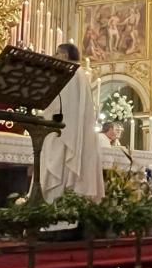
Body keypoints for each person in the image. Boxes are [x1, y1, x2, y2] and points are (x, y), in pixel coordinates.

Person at [38, 42, 103, 203]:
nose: (54, 57)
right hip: (74, 133)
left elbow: (58, 106)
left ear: (64, 56)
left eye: (56, 53)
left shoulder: (67, 73)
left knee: (59, 175)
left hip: (63, 135)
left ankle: (56, 212)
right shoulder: (80, 74)